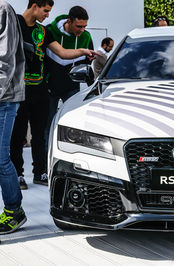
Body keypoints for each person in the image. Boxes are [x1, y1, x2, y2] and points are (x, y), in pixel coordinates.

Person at [10, 1, 96, 190]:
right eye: (45, 10)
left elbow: (63, 53)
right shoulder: (13, 23)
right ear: (34, 6)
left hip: (40, 89)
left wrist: (82, 51)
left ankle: (40, 172)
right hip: (18, 89)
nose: (48, 15)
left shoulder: (44, 31)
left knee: (40, 135)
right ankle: (17, 174)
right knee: (17, 135)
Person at [45, 6, 95, 158]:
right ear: (69, 21)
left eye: (85, 26)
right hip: (49, 87)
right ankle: (47, 158)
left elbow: (88, 65)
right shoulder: (49, 31)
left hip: (72, 88)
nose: (82, 30)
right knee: (47, 126)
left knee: (74, 125)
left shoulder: (86, 37)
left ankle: (72, 157)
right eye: (79, 26)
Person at [0, 0, 27, 234]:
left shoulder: (2, 10)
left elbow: (4, 60)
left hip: (4, 98)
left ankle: (13, 210)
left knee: (0, 158)